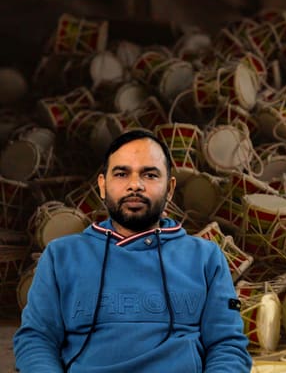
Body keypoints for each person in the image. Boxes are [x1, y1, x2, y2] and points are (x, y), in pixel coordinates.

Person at [13, 129, 252, 372]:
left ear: (169, 189)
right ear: (103, 186)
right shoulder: (60, 256)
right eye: (121, 174)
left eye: (149, 175)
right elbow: (36, 340)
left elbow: (227, 345)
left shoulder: (206, 258)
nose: (135, 185)